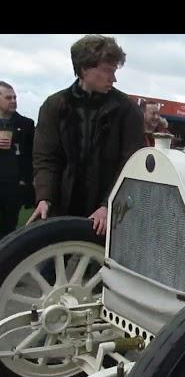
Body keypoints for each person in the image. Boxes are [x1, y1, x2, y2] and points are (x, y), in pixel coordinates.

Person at [28, 34, 144, 236]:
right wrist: (44, 198)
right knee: (48, 264)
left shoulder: (128, 111)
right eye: (108, 71)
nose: (114, 78)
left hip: (107, 215)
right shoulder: (53, 106)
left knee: (99, 266)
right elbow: (46, 159)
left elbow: (131, 164)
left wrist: (109, 205)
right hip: (61, 208)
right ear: (84, 69)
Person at [0, 81, 35, 239]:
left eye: (15, 97)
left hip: (14, 186)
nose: (13, 101)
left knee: (9, 228)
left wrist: (25, 181)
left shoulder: (26, 124)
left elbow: (33, 154)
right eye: (8, 98)